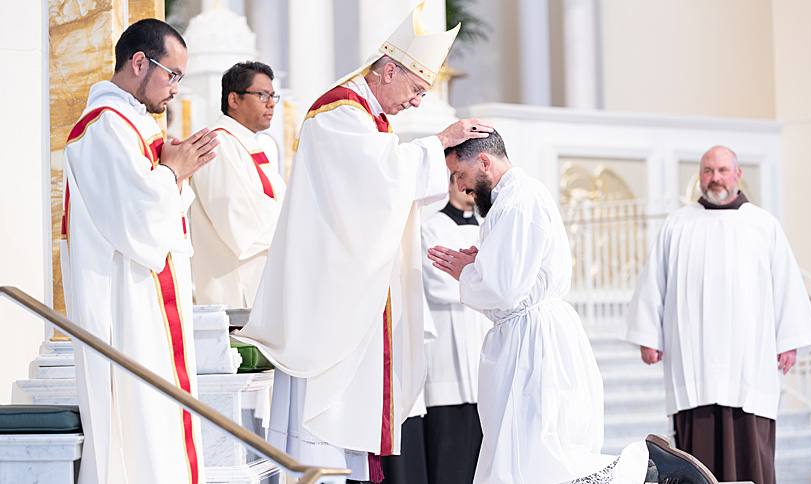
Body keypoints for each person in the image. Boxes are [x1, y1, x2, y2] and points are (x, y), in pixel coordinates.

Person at [233, 4, 492, 482]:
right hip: (331, 296)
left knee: (352, 430)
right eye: (416, 89)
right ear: (389, 69)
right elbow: (377, 183)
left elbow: (383, 185)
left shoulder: (369, 118)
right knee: (326, 433)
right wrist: (437, 143)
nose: (416, 102)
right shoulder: (339, 112)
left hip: (354, 291)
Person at [429, 132, 719, 484]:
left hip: (533, 344)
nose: (459, 187)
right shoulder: (511, 200)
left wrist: (469, 272)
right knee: (524, 459)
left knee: (541, 460)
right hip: (527, 337)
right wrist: (483, 263)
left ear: (485, 163)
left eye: (460, 174)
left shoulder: (518, 201)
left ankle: (648, 469)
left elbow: (502, 291)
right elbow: (512, 276)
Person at [60, 18, 219, 484]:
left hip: (148, 300)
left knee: (160, 421)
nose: (175, 89)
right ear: (138, 63)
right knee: (140, 424)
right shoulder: (103, 128)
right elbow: (137, 223)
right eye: (173, 75)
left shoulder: (131, 124)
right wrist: (173, 173)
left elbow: (157, 210)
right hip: (125, 305)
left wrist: (177, 173)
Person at [622, 145, 811, 484]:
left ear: (737, 174)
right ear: (699, 176)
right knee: (695, 457)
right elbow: (654, 282)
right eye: (708, 171)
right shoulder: (678, 224)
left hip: (749, 361)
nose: (715, 179)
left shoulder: (763, 225)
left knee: (751, 453)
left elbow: (786, 285)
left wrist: (790, 341)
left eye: (722, 170)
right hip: (693, 361)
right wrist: (648, 336)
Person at [190, 61, 286, 307]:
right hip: (236, 290)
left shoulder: (246, 141)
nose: (272, 103)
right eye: (262, 95)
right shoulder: (218, 144)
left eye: (273, 95)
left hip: (262, 284)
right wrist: (295, 223)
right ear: (234, 99)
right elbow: (239, 220)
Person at [420, 175, 490, 484]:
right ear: (450, 184)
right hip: (448, 345)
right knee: (450, 450)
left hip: (482, 337)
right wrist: (480, 281)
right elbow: (437, 284)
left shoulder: (488, 227)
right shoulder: (432, 227)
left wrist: (471, 277)